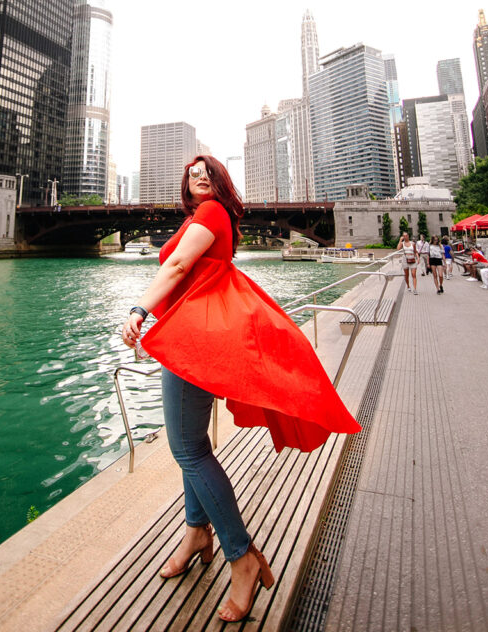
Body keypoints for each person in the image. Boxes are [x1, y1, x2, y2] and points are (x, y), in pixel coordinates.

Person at [121, 156, 360, 623]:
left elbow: (177, 268)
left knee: (188, 451)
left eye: (208, 172)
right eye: (193, 173)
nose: (200, 177)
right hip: (188, 334)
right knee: (192, 444)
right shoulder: (200, 217)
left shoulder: (210, 215)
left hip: (196, 337)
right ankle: (196, 533)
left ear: (221, 183)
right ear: (185, 185)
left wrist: (137, 309)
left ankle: (241, 555)